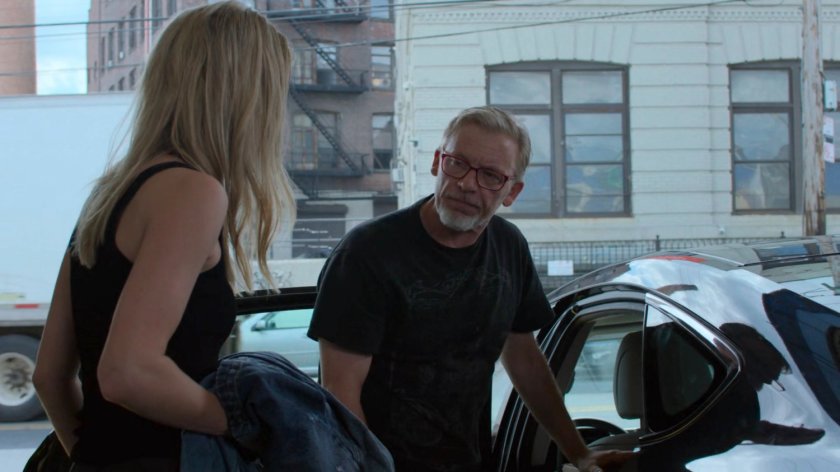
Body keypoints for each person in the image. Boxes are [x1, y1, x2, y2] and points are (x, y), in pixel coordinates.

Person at [32, 2, 296, 470]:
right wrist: (241, 426)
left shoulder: (112, 192)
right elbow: (127, 372)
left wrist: (93, 459)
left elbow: (50, 377)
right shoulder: (193, 192)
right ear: (244, 96)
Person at [308, 106, 634, 472]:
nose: (467, 183)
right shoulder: (367, 253)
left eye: (491, 175)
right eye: (457, 164)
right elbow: (340, 392)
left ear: (512, 192)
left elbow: (524, 359)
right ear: (437, 162)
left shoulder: (509, 247)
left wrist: (579, 452)